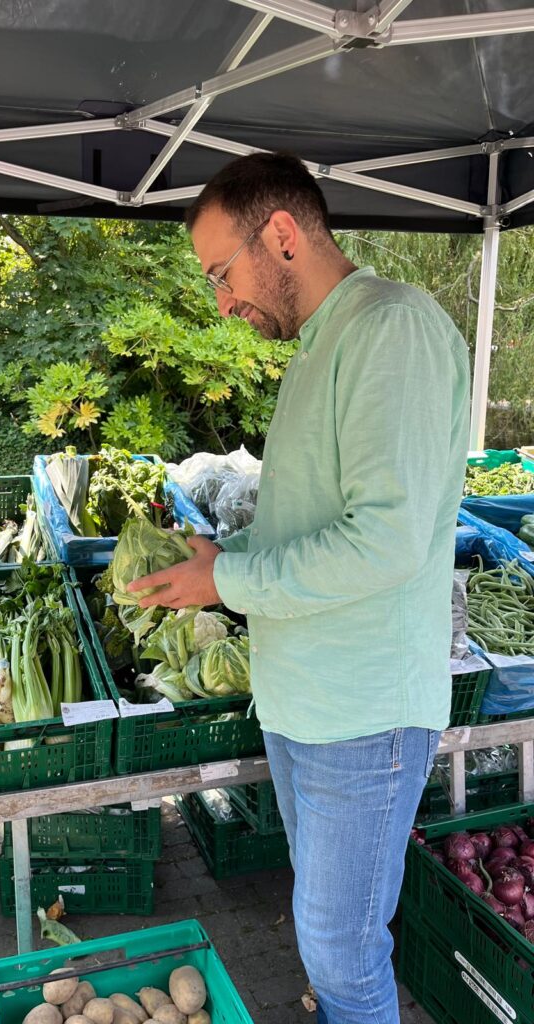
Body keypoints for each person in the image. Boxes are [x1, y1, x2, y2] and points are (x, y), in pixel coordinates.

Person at [127, 152, 470, 1024]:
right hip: (309, 704)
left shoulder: (393, 328)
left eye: (221, 273)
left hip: (364, 714)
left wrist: (227, 579)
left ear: (280, 235)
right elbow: (325, 516)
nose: (222, 301)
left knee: (342, 951)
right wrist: (224, 548)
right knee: (328, 941)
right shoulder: (323, 343)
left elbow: (383, 542)